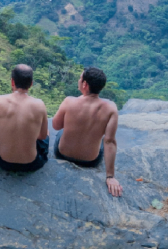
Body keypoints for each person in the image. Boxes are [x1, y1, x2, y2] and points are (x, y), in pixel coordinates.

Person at [52, 67, 123, 197]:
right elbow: (110, 141)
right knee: (103, 139)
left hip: (62, 154)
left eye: (80, 78)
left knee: (60, 133)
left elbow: (56, 126)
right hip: (90, 161)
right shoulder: (111, 108)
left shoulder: (69, 101)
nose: (78, 80)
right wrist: (110, 176)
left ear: (84, 84)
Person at [0, 64, 49, 172]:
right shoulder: (40, 105)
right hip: (31, 164)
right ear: (31, 84)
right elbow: (42, 136)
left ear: (12, 82)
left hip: (3, 162)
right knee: (47, 135)